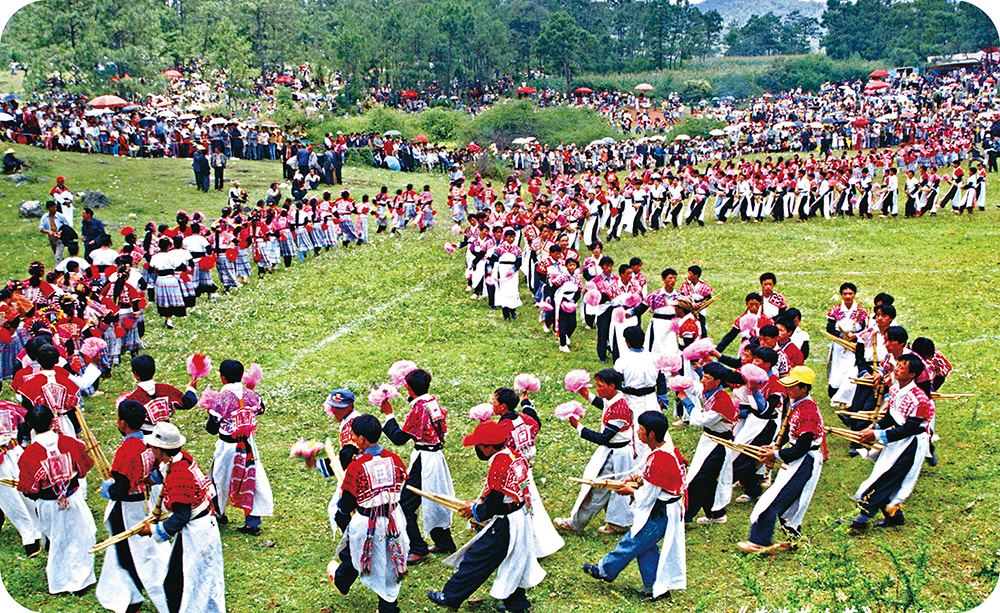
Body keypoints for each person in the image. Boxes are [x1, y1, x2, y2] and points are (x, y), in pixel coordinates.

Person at [427, 420, 546, 613]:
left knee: (477, 557)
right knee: (512, 559)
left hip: (507, 522)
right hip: (520, 516)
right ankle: (517, 606)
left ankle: (451, 597)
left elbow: (494, 504)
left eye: (478, 446)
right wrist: (479, 505)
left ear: (489, 447)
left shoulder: (500, 463)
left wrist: (474, 511)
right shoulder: (513, 454)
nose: (476, 449)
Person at [582, 411, 686, 601]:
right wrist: (633, 477)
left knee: (632, 541)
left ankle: (605, 570)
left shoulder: (660, 459)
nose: (637, 431)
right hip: (664, 508)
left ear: (651, 434)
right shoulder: (663, 449)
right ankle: (655, 587)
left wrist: (628, 490)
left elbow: (647, 496)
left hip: (661, 511)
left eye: (641, 429)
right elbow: (647, 471)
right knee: (646, 546)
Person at [138, 422, 226, 613]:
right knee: (184, 581)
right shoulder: (180, 458)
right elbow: (163, 473)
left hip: (197, 532)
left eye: (153, 447)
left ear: (159, 450)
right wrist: (149, 480)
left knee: (189, 583)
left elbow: (181, 516)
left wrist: (153, 530)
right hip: (200, 527)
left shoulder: (179, 475)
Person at [738, 366, 826, 553]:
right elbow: (786, 431)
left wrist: (776, 455)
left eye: (793, 386)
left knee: (775, 500)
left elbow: (801, 447)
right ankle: (795, 541)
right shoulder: (797, 403)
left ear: (804, 388)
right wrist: (774, 446)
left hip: (805, 460)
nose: (788, 389)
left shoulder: (808, 411)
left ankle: (759, 541)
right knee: (788, 502)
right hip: (797, 458)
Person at [95, 400, 171, 613]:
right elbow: (158, 471)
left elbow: (121, 489)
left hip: (128, 509)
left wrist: (107, 489)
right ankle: (131, 596)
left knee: (129, 554)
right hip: (146, 503)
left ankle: (134, 599)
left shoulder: (128, 450)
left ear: (122, 423)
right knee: (143, 551)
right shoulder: (149, 443)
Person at [331, 414, 409, 613]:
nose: (352, 439)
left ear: (362, 439)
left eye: (354, 436)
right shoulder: (394, 459)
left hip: (368, 522)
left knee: (360, 555)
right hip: (393, 518)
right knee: (391, 562)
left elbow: (346, 505)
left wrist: (343, 501)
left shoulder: (357, 467)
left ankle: (343, 582)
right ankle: (387, 605)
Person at [17, 404, 96, 595]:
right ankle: (81, 580)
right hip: (73, 498)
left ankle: (60, 581)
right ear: (53, 422)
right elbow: (83, 469)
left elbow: (28, 489)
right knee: (81, 535)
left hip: (48, 504)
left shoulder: (28, 456)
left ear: (30, 425)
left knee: (58, 539)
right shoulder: (71, 443)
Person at [379, 367, 456, 563]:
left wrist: (389, 415)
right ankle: (444, 542)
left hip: (424, 460)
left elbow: (399, 438)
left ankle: (418, 548)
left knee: (405, 504)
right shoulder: (433, 402)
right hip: (435, 456)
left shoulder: (419, 409)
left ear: (409, 388)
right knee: (436, 498)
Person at [850, 355, 933, 531]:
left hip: (911, 443)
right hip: (898, 439)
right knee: (884, 475)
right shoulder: (895, 389)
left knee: (885, 478)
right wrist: (873, 428)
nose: (897, 369)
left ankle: (860, 519)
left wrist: (877, 434)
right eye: (898, 365)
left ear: (912, 374)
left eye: (902, 367)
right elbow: (891, 416)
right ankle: (894, 516)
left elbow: (910, 429)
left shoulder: (920, 399)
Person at [555, 368, 635, 534]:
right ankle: (619, 523)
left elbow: (603, 438)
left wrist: (579, 427)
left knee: (597, 488)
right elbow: (605, 406)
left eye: (600, 386)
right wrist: (587, 396)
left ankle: (576, 523)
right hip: (617, 451)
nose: (597, 389)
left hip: (615, 454)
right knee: (615, 490)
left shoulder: (619, 409)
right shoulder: (616, 397)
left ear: (611, 386)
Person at [491, 386, 564, 558]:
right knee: (531, 505)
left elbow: (494, 449)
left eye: (494, 402)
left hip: (511, 476)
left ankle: (518, 543)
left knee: (515, 508)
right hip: (525, 471)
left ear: (503, 406)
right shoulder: (524, 419)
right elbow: (536, 422)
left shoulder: (503, 427)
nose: (492, 405)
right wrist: (526, 403)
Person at [205, 359, 273, 535]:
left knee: (219, 479)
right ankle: (252, 522)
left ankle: (219, 514)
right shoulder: (252, 396)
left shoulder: (220, 399)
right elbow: (261, 409)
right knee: (252, 479)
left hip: (227, 447)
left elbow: (211, 429)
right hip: (249, 446)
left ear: (222, 377)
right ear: (242, 376)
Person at [681, 361, 738, 525]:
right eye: (703, 376)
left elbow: (701, 419)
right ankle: (716, 514)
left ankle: (685, 516)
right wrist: (680, 383)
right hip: (709, 440)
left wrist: (685, 400)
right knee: (708, 479)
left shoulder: (722, 401)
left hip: (719, 445)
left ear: (717, 381)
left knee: (699, 479)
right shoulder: (711, 391)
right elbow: (697, 388)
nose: (703, 380)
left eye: (706, 378)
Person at [0, 399, 42, 557]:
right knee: (12, 498)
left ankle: (35, 532)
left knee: (21, 493)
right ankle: (30, 535)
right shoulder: (9, 407)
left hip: (12, 453)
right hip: (8, 456)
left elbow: (26, 421)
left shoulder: (9, 407)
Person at [117, 354, 199, 434]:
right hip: (166, 435)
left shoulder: (131, 399)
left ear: (135, 374)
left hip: (144, 436)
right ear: (154, 370)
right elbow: (188, 402)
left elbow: (125, 427)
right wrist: (191, 388)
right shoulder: (167, 390)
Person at [39, 200, 71, 265]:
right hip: (52, 238)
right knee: (57, 254)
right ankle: (65, 265)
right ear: (48, 208)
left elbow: (67, 226)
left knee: (58, 256)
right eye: (53, 208)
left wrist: (61, 231)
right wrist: (48, 231)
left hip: (60, 237)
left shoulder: (60, 216)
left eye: (55, 207)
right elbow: (41, 228)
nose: (55, 209)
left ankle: (57, 270)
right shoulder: (44, 217)